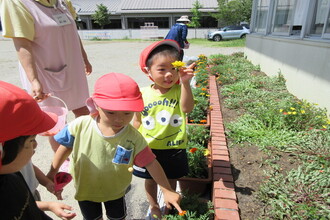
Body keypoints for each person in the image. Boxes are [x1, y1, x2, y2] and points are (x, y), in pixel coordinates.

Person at [46, 73, 183, 220]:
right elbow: (65, 147)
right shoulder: (80, 125)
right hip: (85, 190)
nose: (119, 119)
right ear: (96, 104)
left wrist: (166, 189)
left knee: (117, 217)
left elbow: (151, 162)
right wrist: (52, 172)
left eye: (127, 113)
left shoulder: (133, 137)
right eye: (110, 112)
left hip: (116, 191)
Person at [0, 0, 92, 152]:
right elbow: (22, 44)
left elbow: (73, 33)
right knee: (56, 120)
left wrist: (84, 57)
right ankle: (62, 162)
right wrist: (34, 80)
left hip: (73, 66)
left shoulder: (62, 1)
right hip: (45, 70)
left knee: (83, 112)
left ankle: (85, 151)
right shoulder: (16, 2)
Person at [133, 40, 195, 219]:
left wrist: (185, 84)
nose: (169, 74)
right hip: (148, 148)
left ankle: (169, 203)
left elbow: (186, 109)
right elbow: (137, 121)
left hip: (174, 147)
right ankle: (153, 206)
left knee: (172, 179)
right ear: (148, 72)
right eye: (161, 69)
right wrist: (132, 145)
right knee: (150, 180)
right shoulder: (142, 93)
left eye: (174, 68)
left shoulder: (179, 90)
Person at [0, 81, 76, 220]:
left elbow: (27, 206)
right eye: (31, 141)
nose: (35, 146)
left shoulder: (12, 175)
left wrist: (47, 200)